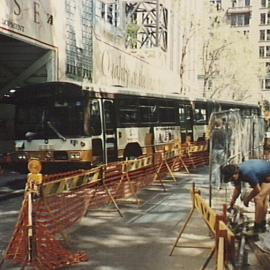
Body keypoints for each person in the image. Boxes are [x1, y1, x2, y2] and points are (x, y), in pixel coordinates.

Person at [222, 159, 270, 234]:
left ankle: (257, 227)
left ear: (235, 174)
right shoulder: (237, 173)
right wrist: (231, 204)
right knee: (263, 199)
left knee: (258, 198)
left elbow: (257, 189)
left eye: (231, 178)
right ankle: (262, 224)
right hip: (263, 176)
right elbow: (237, 189)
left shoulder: (246, 172)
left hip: (267, 176)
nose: (231, 180)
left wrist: (247, 199)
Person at [211, 119, 226, 188]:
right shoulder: (223, 132)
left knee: (216, 166)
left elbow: (211, 142)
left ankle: (217, 184)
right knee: (222, 166)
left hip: (214, 150)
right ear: (221, 124)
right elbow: (225, 142)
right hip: (222, 150)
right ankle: (222, 183)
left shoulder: (213, 132)